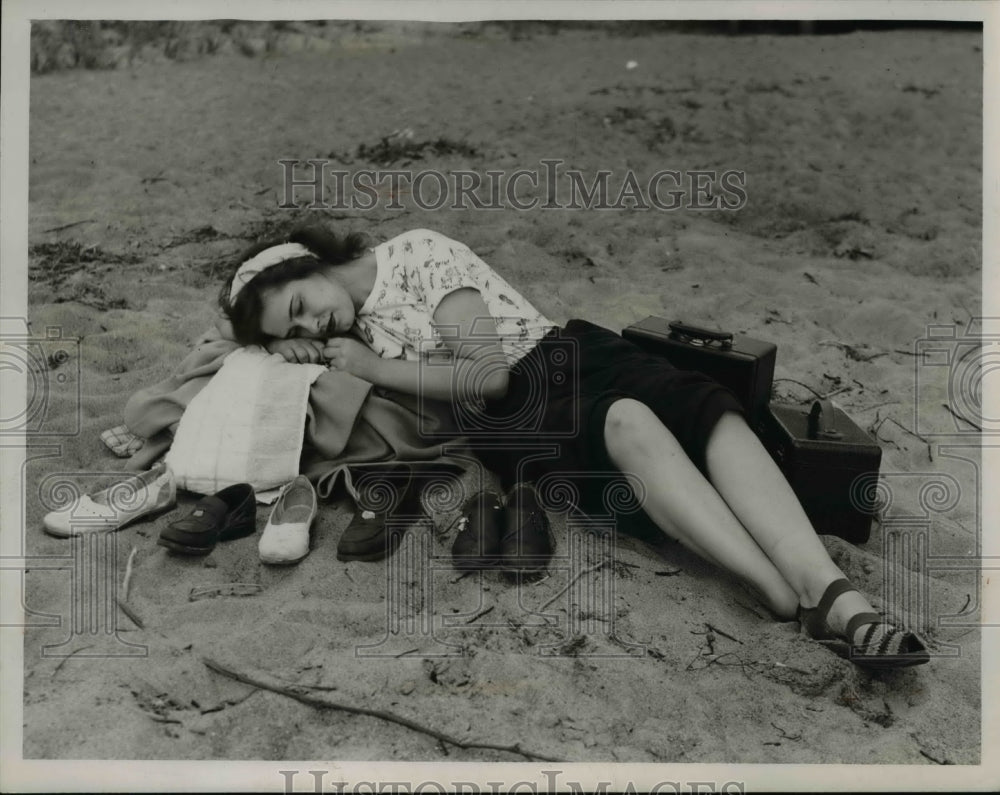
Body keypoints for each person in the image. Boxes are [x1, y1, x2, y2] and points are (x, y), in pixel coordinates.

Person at [219, 225, 929, 670]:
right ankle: (782, 591)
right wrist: (308, 351)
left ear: (305, 266)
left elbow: (487, 369)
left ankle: (831, 588)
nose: (312, 321)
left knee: (706, 411)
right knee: (628, 426)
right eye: (294, 330)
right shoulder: (344, 343)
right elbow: (490, 398)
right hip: (512, 422)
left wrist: (371, 367)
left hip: (563, 353)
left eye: (299, 305)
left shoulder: (415, 253)